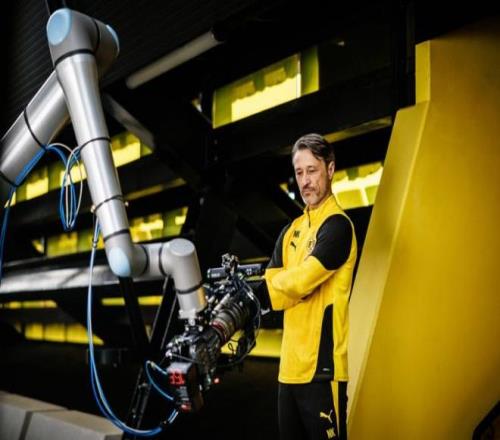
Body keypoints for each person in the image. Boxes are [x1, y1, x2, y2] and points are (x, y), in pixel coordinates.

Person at [262, 133, 357, 440]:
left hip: (322, 371)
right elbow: (273, 293)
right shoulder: (291, 231)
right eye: (299, 172)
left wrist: (286, 286)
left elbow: (302, 280)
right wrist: (285, 287)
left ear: (330, 169)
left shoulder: (338, 226)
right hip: (288, 371)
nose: (305, 181)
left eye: (312, 170)